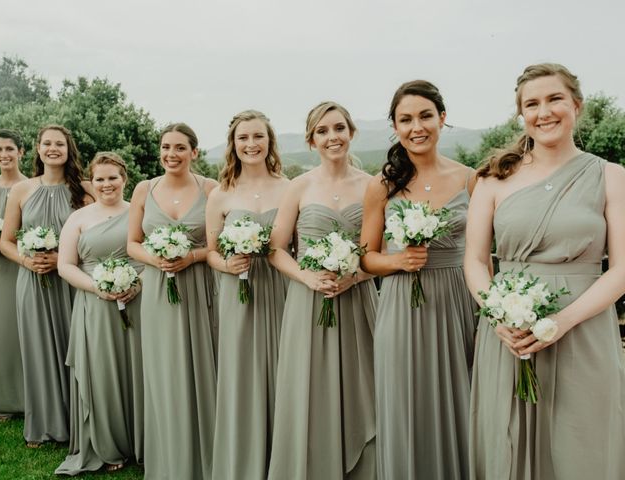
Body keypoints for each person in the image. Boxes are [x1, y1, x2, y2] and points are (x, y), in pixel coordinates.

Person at [464, 63, 625, 479]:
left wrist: (561, 321)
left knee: (583, 444)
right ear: (522, 114)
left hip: (584, 327)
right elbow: (476, 262)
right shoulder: (493, 179)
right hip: (509, 334)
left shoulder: (611, 177)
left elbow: (621, 269)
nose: (544, 112)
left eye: (554, 99)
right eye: (531, 104)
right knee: (510, 444)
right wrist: (498, 317)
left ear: (576, 105)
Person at [360, 80, 478, 479]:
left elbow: (481, 255)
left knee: (460, 398)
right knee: (406, 401)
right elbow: (366, 259)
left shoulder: (471, 179)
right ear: (395, 126)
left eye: (425, 116)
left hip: (456, 301)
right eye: (405, 119)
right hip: (401, 304)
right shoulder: (382, 185)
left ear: (442, 118)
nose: (417, 127)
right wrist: (397, 261)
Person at [267, 102, 377, 480]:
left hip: (359, 300)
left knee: (366, 386)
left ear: (351, 132)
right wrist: (307, 277)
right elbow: (276, 249)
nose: (333, 137)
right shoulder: (299, 186)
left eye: (339, 129)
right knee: (311, 390)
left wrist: (357, 276)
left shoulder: (372, 185)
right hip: (308, 301)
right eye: (323, 131)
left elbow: (379, 251)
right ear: (312, 140)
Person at [127, 122, 219, 480]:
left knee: (204, 365)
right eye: (166, 147)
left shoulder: (211, 189)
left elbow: (216, 244)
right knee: (165, 371)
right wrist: (158, 260)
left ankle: (208, 457)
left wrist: (190, 258)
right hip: (158, 293)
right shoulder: (143, 189)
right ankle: (169, 459)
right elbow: (133, 242)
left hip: (199, 287)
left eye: (180, 148)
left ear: (194, 153)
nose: (171, 154)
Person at [206, 110, 290, 480]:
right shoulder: (220, 194)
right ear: (233, 144)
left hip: (281, 289)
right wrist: (227, 266)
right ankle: (243, 462)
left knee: (285, 368)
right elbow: (210, 250)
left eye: (258, 136)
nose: (251, 144)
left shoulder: (290, 188)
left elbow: (295, 247)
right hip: (237, 291)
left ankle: (284, 458)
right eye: (243, 138)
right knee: (242, 373)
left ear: (269, 141)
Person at [0, 124, 93, 447]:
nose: (53, 148)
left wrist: (64, 261)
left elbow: (96, 238)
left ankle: (81, 423)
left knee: (77, 347)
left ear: (69, 150)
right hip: (33, 283)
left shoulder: (84, 190)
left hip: (71, 281)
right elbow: (6, 242)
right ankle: (43, 424)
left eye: (60, 144)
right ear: (38, 149)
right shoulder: (22, 191)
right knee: (38, 349)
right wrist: (28, 261)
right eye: (47, 143)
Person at [55, 152, 144, 475]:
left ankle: (143, 442)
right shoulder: (79, 218)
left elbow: (148, 258)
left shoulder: (139, 211)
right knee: (103, 374)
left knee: (139, 371)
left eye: (113, 178)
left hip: (138, 302)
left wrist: (136, 285)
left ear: (124, 179)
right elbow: (65, 265)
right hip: (94, 305)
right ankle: (108, 444)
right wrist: (98, 288)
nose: (107, 184)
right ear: (92, 181)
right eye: (100, 179)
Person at [0, 129, 27, 421]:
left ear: (21, 152)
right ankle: (2, 400)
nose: (4, 155)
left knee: (22, 328)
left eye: (10, 149)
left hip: (20, 264)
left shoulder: (30, 188)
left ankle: (29, 396)